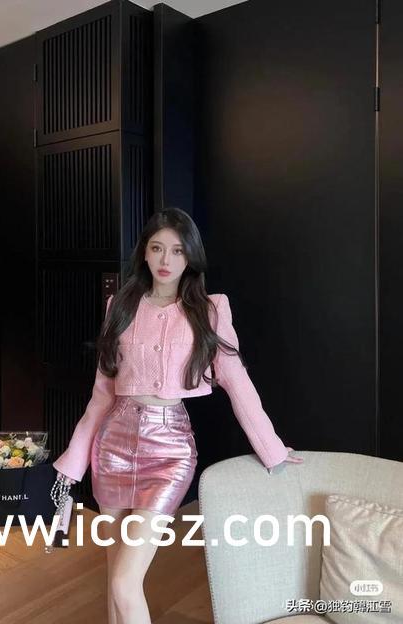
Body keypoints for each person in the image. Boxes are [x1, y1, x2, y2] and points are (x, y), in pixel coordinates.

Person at [53, 207, 304, 624]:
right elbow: (101, 396)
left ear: (190, 256)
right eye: (157, 248)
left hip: (169, 450)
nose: (166, 260)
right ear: (144, 253)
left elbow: (237, 382)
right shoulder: (120, 306)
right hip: (113, 445)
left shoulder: (209, 310)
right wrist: (72, 464)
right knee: (115, 576)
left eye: (177, 250)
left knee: (125, 583)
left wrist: (273, 449)